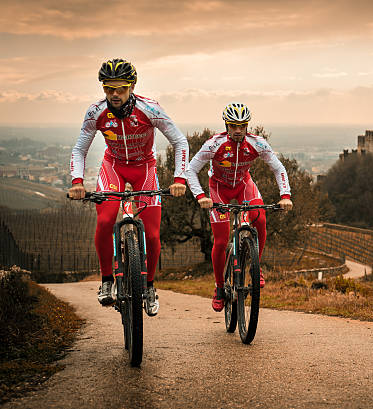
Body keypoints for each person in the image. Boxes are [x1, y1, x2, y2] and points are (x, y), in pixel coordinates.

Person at [67, 58, 189, 316]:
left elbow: (180, 141)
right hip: (114, 167)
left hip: (144, 168)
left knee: (153, 235)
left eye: (120, 88)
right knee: (105, 221)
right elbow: (80, 150)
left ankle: (150, 286)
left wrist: (179, 179)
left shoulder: (150, 109)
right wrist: (77, 182)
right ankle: (107, 280)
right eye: (108, 88)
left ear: (131, 86)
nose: (114, 94)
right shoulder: (96, 112)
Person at [186, 102, 293, 312]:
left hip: (244, 185)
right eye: (233, 125)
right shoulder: (214, 144)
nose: (237, 130)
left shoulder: (256, 143)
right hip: (218, 188)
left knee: (260, 218)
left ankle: (256, 267)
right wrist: (200, 196)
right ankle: (218, 287)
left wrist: (285, 195)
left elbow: (277, 167)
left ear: (247, 126)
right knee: (221, 239)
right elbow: (191, 170)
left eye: (242, 126)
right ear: (227, 125)